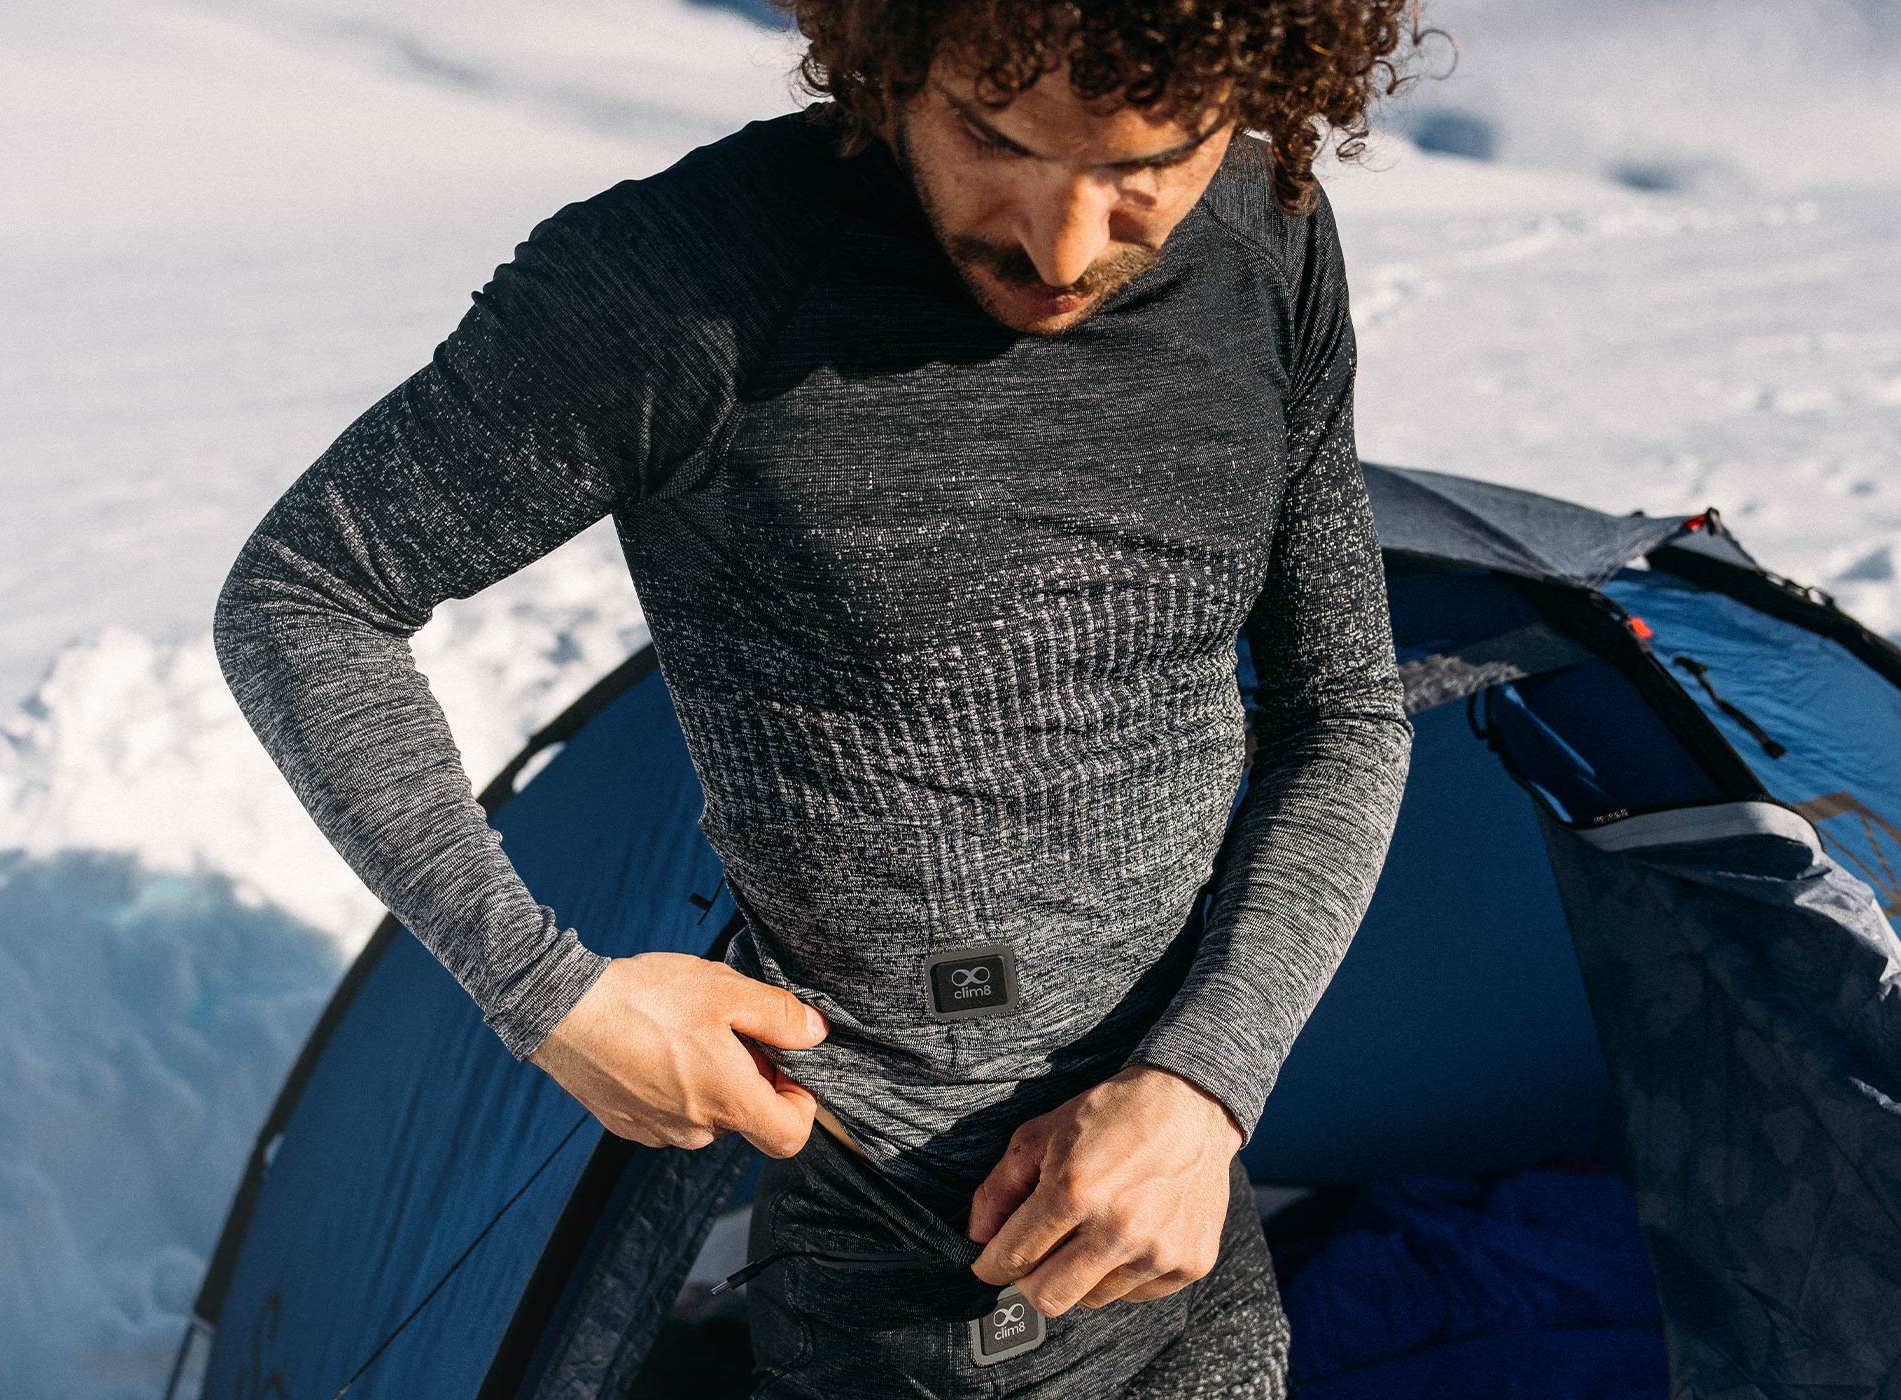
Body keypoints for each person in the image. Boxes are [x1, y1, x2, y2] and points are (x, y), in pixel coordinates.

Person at [213, 2, 1428, 1392]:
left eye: (1144, 169)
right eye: (993, 140)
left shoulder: (1271, 239)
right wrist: (548, 995)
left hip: (1179, 1213)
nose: (1062, 245)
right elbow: (306, 595)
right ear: (889, 54)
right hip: (895, 1273)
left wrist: (1207, 1084)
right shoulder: (690, 279)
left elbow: (1342, 710)